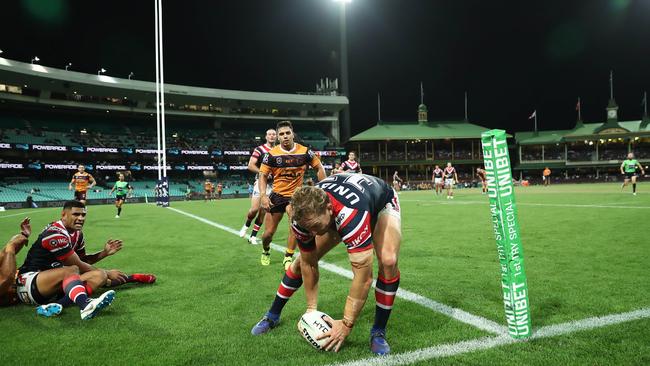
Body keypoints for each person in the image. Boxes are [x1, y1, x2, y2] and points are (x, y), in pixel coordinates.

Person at [251, 173, 402, 355]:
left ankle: (378, 331)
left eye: (315, 226)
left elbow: (363, 278)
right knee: (300, 262)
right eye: (308, 228)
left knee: (388, 261)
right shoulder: (300, 219)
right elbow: (309, 263)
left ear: (329, 209)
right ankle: (272, 315)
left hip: (380, 201)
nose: (313, 233)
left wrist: (346, 323)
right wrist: (311, 310)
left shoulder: (350, 215)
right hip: (340, 204)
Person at [16, 201, 116, 320]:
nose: (80, 218)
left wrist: (104, 253)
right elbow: (77, 265)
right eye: (76, 214)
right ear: (64, 215)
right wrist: (109, 273)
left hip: (54, 282)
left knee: (99, 276)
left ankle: (57, 304)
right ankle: (85, 306)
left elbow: (83, 260)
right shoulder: (54, 233)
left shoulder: (77, 235)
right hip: (29, 282)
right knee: (72, 270)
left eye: (83, 215)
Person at [258, 120, 326, 269]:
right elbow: (262, 175)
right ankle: (266, 249)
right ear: (277, 137)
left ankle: (288, 256)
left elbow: (319, 168)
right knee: (268, 234)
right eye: (281, 134)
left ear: (293, 134)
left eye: (287, 133)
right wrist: (263, 195)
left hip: (295, 198)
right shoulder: (271, 155)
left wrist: (324, 188)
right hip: (276, 196)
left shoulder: (305, 152)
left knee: (295, 227)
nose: (285, 136)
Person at [239, 129, 277, 245]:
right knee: (254, 209)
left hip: (274, 185)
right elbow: (250, 165)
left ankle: (252, 237)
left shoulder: (279, 150)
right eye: (269, 134)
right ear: (266, 137)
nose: (272, 136)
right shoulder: (259, 149)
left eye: (274, 134)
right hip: (261, 182)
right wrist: (263, 173)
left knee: (263, 211)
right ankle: (246, 225)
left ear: (276, 137)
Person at [0, 218, 33, 306]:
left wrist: (24, 235)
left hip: (21, 279)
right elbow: (6, 279)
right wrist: (11, 246)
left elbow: (4, 254)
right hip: (23, 290)